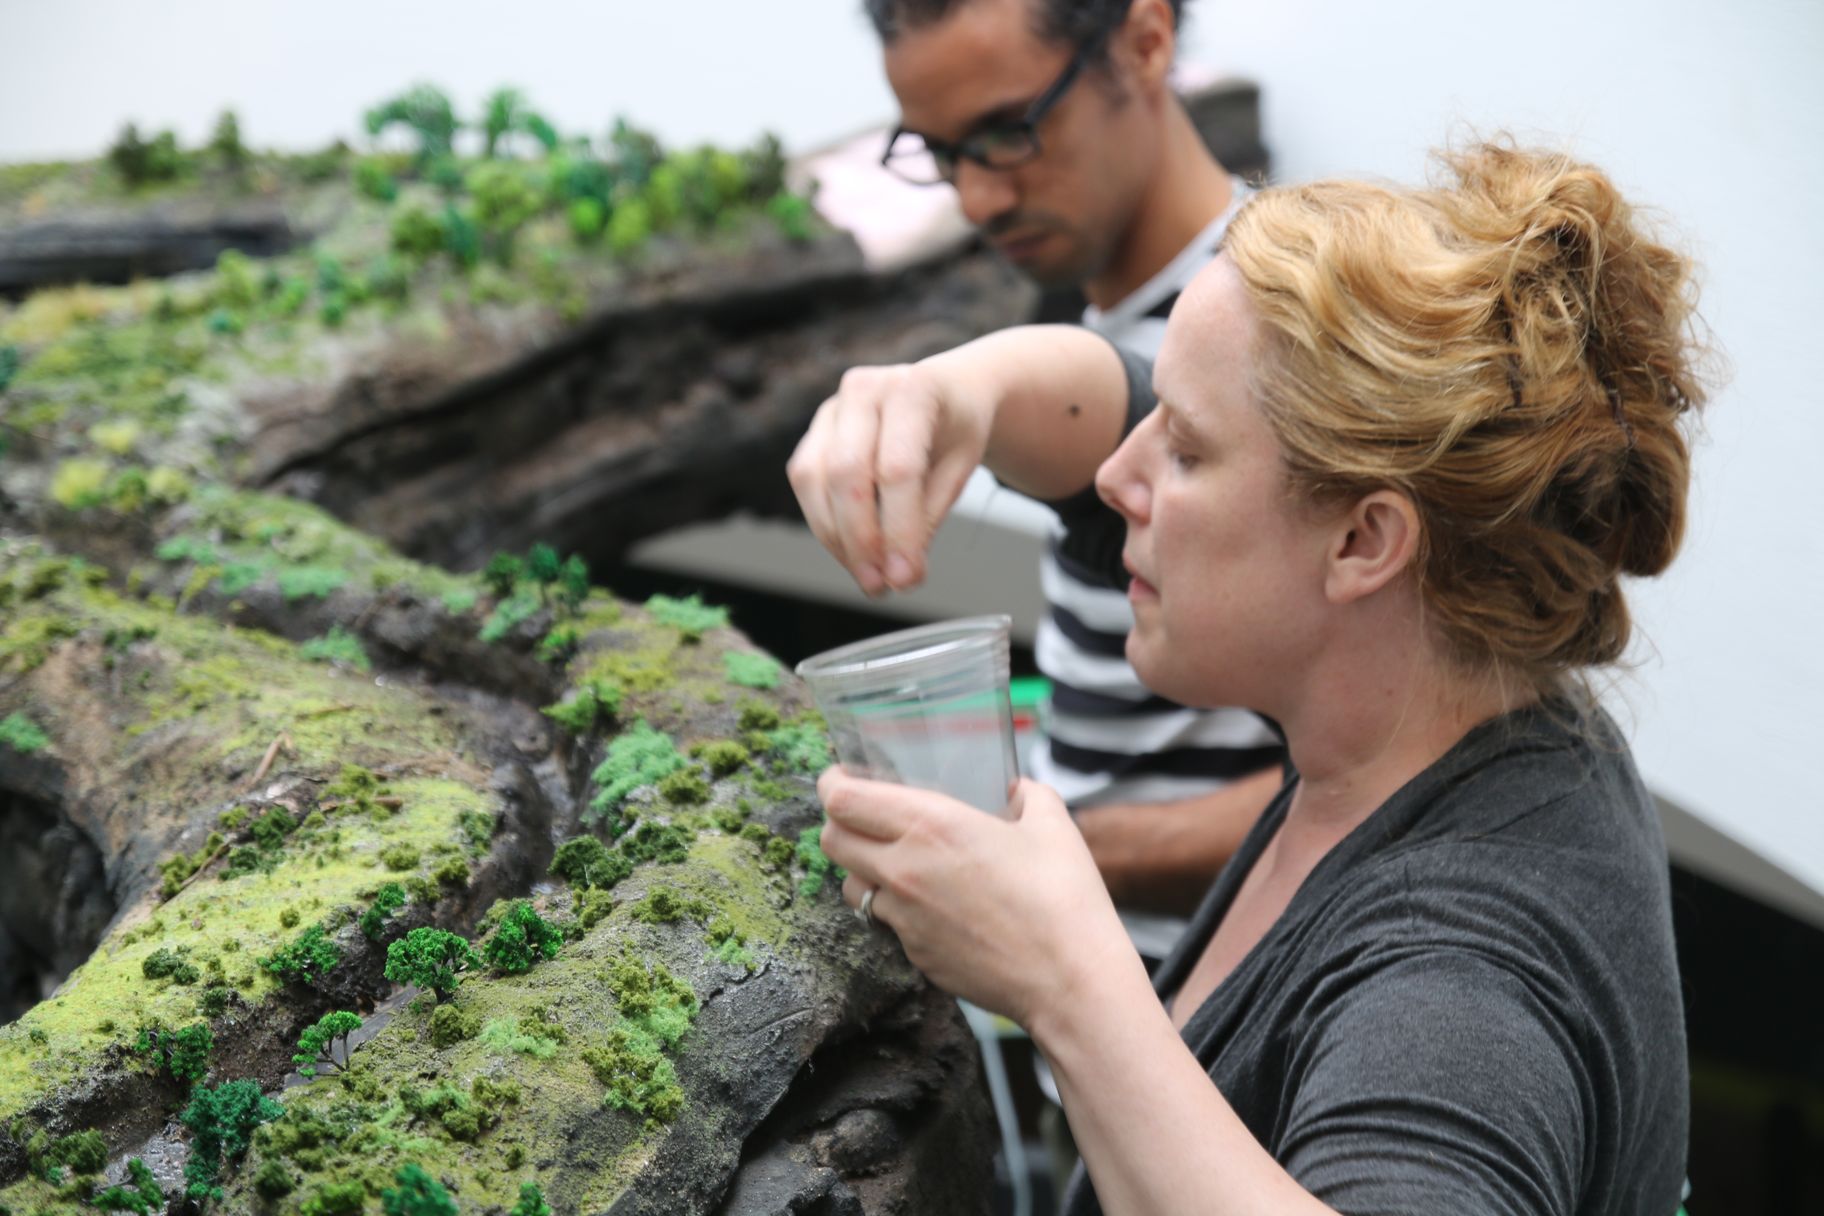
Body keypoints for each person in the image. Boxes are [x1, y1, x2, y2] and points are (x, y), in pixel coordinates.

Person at [814, 140, 1706, 1214]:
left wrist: (1061, 979)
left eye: (1182, 451)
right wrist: (966, 387)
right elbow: (1155, 424)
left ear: (1364, 542)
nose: (1115, 473)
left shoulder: (1460, 972)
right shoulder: (1462, 703)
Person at [806, 0, 1284, 940]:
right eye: (940, 151)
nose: (976, 199)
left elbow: (1395, 777)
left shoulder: (1281, 325)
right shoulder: (1091, 307)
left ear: (1146, 41)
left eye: (1008, 131)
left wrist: (1029, 853)